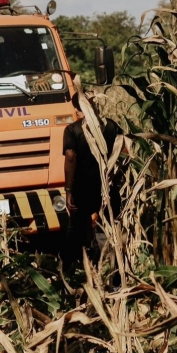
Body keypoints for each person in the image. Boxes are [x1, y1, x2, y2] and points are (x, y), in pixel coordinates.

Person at [62, 91, 122, 264]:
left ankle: (69, 270)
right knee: (109, 227)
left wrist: (68, 190)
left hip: (82, 188)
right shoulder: (110, 125)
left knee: (76, 229)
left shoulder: (72, 129)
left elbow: (71, 156)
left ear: (77, 108)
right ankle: (114, 269)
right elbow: (124, 150)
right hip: (108, 186)